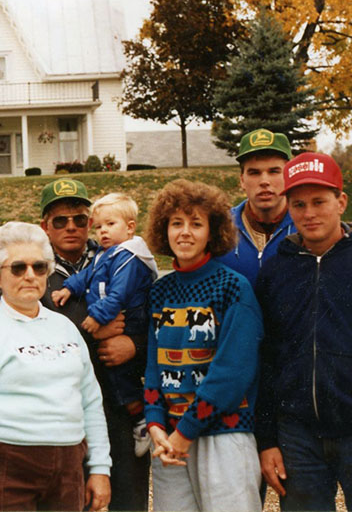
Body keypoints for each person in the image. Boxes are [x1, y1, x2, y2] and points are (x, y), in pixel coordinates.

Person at [0, 221, 111, 512]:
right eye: (18, 268)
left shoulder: (66, 329)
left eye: (39, 267)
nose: (30, 275)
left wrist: (100, 468)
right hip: (4, 467)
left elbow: (90, 402)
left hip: (67, 469)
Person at [143, 179, 264, 512]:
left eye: (196, 224)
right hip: (169, 437)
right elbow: (154, 365)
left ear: (213, 232)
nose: (185, 232)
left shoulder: (232, 288)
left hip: (221, 435)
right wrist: (154, 422)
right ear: (163, 229)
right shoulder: (160, 290)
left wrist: (187, 430)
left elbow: (233, 372)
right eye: (176, 223)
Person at [38, 179, 150, 512]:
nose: (71, 226)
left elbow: (153, 318)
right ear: (45, 227)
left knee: (127, 500)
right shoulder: (34, 271)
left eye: (79, 218)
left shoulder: (120, 259)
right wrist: (90, 334)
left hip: (119, 405)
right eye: (60, 220)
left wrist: (133, 343)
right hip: (63, 412)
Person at [255, 152, 351, 511]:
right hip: (297, 435)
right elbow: (265, 357)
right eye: (298, 204)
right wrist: (267, 440)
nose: (309, 213)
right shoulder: (276, 270)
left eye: (319, 202)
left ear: (340, 202)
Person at [51, 193, 158, 455]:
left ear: (130, 227)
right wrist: (69, 288)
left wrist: (96, 318)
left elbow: (119, 294)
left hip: (130, 321)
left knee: (123, 379)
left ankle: (143, 421)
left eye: (110, 225)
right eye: (99, 227)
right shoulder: (105, 254)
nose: (103, 232)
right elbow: (88, 276)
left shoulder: (130, 257)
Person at [216, 128, 295, 285]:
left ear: (288, 176)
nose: (264, 181)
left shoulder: (306, 225)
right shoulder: (220, 227)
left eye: (274, 171)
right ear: (242, 180)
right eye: (254, 173)